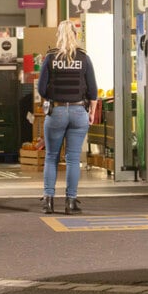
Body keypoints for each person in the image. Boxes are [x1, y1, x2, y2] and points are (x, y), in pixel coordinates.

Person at [37, 20, 98, 215]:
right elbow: (93, 91)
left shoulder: (51, 57)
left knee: (51, 157)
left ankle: (48, 201)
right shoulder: (83, 58)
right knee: (72, 159)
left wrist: (53, 97)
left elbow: (41, 88)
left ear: (58, 35)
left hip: (57, 111)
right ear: (76, 35)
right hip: (79, 112)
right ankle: (71, 202)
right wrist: (92, 113)